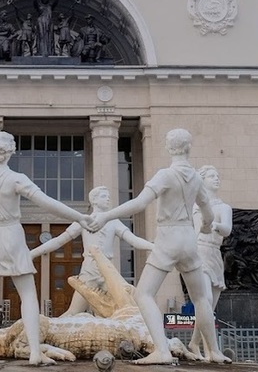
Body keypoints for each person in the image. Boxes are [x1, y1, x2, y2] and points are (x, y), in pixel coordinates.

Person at [0, 131, 91, 365]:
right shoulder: (16, 179)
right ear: (10, 152)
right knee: (28, 293)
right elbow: (47, 202)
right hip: (11, 235)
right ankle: (34, 352)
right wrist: (80, 216)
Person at [88, 128, 229, 365]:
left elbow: (139, 203)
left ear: (168, 147)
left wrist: (105, 217)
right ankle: (214, 351)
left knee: (143, 294)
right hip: (189, 241)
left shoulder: (165, 175)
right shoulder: (196, 178)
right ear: (188, 148)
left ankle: (162, 350)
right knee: (201, 298)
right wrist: (205, 227)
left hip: (168, 236)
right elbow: (208, 214)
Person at [30, 185, 155, 316]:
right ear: (94, 200)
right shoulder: (84, 221)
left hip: (108, 272)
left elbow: (133, 240)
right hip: (89, 271)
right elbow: (58, 241)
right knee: (73, 311)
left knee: (126, 307)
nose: (108, 199)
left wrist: (153, 247)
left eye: (108, 197)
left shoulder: (113, 222)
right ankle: (48, 331)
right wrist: (33, 253)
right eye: (103, 196)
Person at [187, 165, 232, 357]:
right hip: (198, 252)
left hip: (214, 254)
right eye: (212, 176)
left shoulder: (224, 207)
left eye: (218, 175)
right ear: (202, 180)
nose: (216, 178)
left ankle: (194, 343)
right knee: (206, 300)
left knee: (209, 308)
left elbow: (227, 230)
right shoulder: (193, 207)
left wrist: (213, 223)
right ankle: (212, 351)